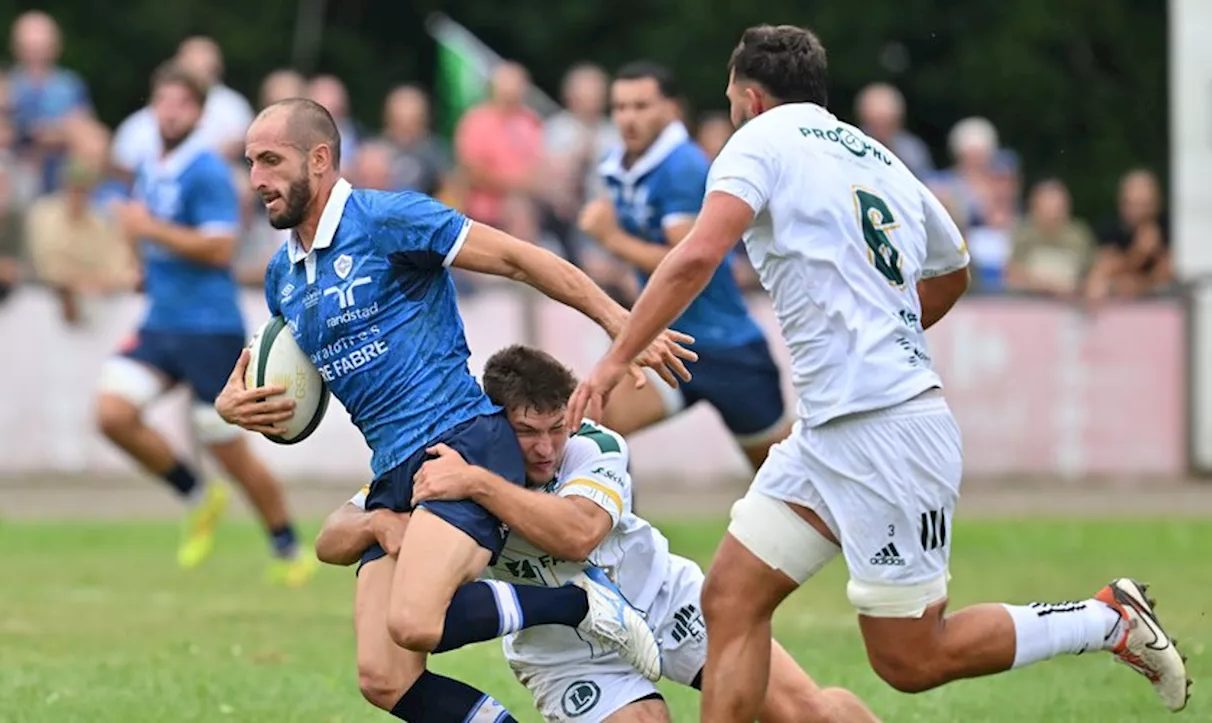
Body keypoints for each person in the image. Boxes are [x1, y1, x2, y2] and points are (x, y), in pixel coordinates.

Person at [567, 25, 1191, 722]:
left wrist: (615, 357)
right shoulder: (880, 158)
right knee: (730, 599)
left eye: (730, 97)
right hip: (831, 431)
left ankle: (1107, 618)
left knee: (911, 660)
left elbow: (693, 256)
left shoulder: (757, 141)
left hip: (886, 431)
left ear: (748, 96)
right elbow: (951, 270)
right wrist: (882, 328)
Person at [215, 98, 695, 722]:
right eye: (252, 163)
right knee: (383, 677)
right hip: (394, 469)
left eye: (271, 161)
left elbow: (522, 259)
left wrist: (622, 324)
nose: (257, 179)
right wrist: (235, 404)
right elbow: (288, 379)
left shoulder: (388, 219)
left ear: (320, 159)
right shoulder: (284, 275)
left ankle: (579, 605)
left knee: (416, 621)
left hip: (459, 438)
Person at [316, 344, 881, 723]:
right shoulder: (453, 460)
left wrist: (481, 486)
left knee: (807, 713)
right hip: (564, 652)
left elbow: (580, 533)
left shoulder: (593, 446)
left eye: (554, 427)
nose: (545, 447)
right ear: (491, 423)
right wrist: (378, 519)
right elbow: (331, 538)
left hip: (662, 601)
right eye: (525, 432)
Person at [95, 62, 314, 586]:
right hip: (161, 322)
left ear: (197, 112)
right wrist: (139, 263)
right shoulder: (154, 163)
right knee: (111, 414)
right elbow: (148, 231)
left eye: (182, 104)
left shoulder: (207, 171)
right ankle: (197, 495)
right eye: (163, 103)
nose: (170, 112)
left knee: (230, 451)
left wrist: (150, 230)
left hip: (208, 329)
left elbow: (218, 247)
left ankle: (287, 547)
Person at [578, 61, 789, 468]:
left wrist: (611, 239)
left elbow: (690, 261)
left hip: (729, 348)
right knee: (590, 430)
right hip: (668, 343)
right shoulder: (621, 164)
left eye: (641, 106)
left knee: (784, 479)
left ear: (672, 110)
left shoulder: (682, 166)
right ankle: (607, 528)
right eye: (620, 107)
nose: (627, 117)